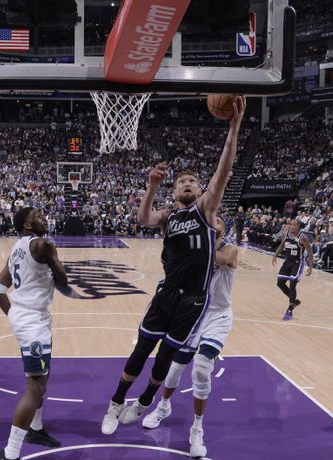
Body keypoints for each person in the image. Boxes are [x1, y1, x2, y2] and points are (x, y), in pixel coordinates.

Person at [101, 96, 247, 436]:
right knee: (141, 350)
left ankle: (146, 401)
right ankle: (116, 403)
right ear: (174, 189)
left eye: (192, 182)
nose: (186, 184)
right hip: (167, 293)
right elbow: (142, 218)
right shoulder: (169, 216)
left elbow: (224, 170)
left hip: (195, 299)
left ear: (201, 191)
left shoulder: (205, 210)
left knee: (166, 357)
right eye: (181, 181)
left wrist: (234, 130)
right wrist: (151, 186)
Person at [0, 207, 84, 460]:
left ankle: (37, 428)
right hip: (32, 323)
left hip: (32, 318)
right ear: (28, 226)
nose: (45, 217)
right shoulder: (42, 244)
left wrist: (14, 317)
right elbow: (64, 282)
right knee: (35, 387)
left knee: (44, 379)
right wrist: (55, 256)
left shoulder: (16, 249)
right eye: (39, 216)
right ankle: (9, 455)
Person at [142, 218, 237, 458]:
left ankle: (197, 429)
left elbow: (224, 260)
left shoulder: (228, 249)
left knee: (201, 369)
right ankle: (163, 406)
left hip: (218, 316)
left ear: (223, 231)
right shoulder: (193, 249)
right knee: (173, 370)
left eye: (217, 227)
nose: (213, 227)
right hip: (195, 312)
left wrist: (194, 248)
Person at [272, 219, 314, 320]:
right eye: (291, 224)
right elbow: (282, 245)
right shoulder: (286, 234)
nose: (292, 226)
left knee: (292, 283)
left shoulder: (302, 237)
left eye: (294, 225)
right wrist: (275, 256)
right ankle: (294, 301)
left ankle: (290, 310)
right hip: (287, 261)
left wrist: (311, 266)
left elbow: (310, 251)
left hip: (297, 263)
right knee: (280, 283)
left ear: (298, 226)